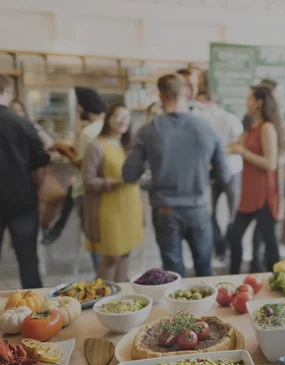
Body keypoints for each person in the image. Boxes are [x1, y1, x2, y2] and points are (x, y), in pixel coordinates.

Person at [123, 74, 231, 277]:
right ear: (186, 93)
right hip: (198, 208)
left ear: (161, 97)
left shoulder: (148, 131)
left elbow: (128, 174)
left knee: (172, 273)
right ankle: (207, 308)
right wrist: (203, 174)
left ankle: (176, 309)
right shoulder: (207, 128)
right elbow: (224, 175)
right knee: (204, 269)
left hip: (165, 210)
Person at [82, 105, 143, 282]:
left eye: (126, 116)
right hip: (108, 209)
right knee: (111, 257)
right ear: (107, 119)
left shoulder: (129, 146)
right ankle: (103, 300)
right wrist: (115, 182)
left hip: (130, 207)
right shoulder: (96, 145)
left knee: (125, 254)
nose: (122, 120)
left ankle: (121, 299)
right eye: (117, 116)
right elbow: (88, 180)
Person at [0, 74, 50, 288]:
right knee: (28, 260)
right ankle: (36, 313)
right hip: (22, 200)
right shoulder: (22, 124)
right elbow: (40, 167)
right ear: (7, 92)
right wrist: (36, 191)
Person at [227, 85, 283, 274]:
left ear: (259, 102)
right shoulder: (251, 127)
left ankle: (276, 281)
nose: (246, 102)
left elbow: (270, 163)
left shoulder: (267, 128)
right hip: (249, 193)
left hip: (264, 194)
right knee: (235, 237)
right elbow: (236, 145)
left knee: (269, 242)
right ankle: (233, 278)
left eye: (249, 99)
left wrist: (242, 151)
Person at [195, 89, 244, 259]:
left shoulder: (230, 118)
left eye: (201, 103)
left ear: (210, 101)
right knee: (210, 211)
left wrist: (221, 150)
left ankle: (231, 245)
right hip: (212, 171)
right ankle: (220, 245)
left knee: (234, 212)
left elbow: (240, 143)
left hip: (233, 170)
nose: (198, 107)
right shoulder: (202, 120)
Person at [67, 87, 106, 270]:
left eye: (78, 106)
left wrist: (65, 151)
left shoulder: (87, 132)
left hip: (86, 193)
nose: (76, 110)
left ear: (83, 107)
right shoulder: (106, 127)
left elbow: (82, 165)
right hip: (105, 192)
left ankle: (101, 281)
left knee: (93, 238)